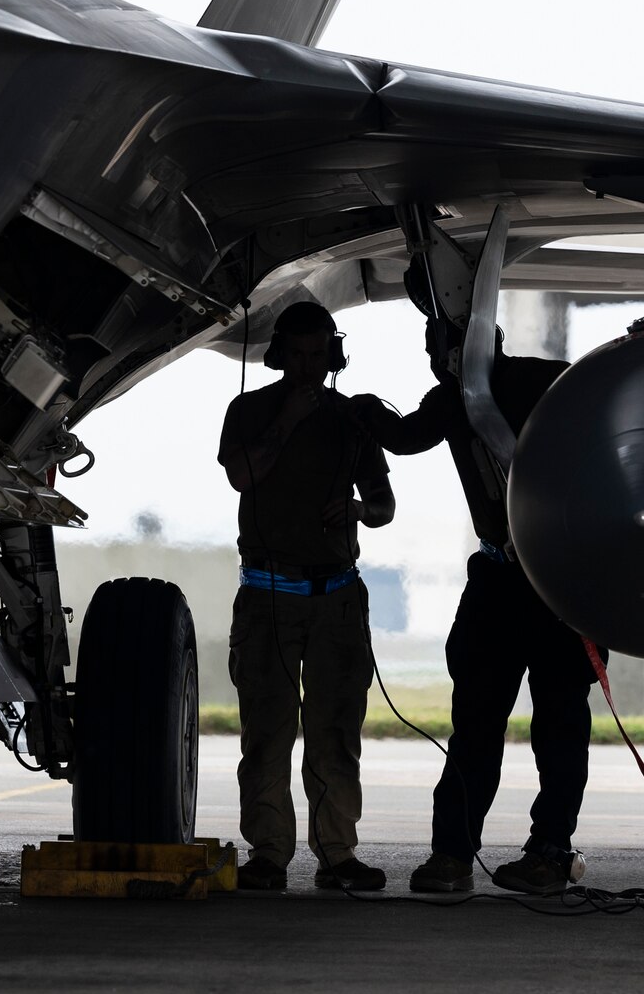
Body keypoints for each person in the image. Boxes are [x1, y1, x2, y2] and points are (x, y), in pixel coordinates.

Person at [350, 322, 603, 895]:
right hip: (503, 577)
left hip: (561, 580)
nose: (438, 364)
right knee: (479, 723)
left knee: (555, 725)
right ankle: (454, 854)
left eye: (444, 352)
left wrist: (368, 411)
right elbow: (408, 435)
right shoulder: (460, 396)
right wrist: (364, 411)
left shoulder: (546, 384)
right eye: (433, 355)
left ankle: (546, 851)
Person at [218, 301, 396, 892]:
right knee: (267, 730)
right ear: (278, 356)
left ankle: (337, 854)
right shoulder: (249, 411)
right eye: (296, 355)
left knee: (335, 732)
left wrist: (357, 510)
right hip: (267, 597)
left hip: (337, 600)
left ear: (332, 355)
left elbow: (384, 505)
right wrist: (287, 421)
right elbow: (242, 476)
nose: (307, 367)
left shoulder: (351, 420)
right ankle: (268, 854)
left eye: (318, 356)